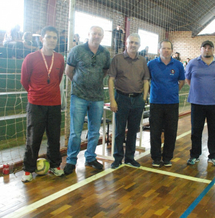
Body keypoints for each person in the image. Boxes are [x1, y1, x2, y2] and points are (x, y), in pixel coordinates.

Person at [20, 26, 65, 182]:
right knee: (34, 138)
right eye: (49, 37)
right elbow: (24, 81)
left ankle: (55, 165)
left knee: (54, 137)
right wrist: (36, 93)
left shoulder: (59, 58)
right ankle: (28, 170)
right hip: (36, 104)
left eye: (54, 38)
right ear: (41, 39)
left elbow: (58, 78)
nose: (52, 40)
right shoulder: (31, 58)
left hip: (54, 104)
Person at [64, 26, 111, 175]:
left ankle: (90, 157)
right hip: (79, 96)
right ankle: (71, 160)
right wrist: (79, 83)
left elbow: (104, 71)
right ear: (88, 34)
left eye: (99, 34)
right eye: (94, 33)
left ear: (102, 37)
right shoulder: (77, 50)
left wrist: (93, 82)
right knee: (75, 132)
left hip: (97, 98)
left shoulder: (105, 53)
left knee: (94, 131)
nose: (96, 36)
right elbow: (68, 71)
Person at [108, 33, 149, 169]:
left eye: (136, 43)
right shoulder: (117, 59)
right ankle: (117, 158)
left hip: (137, 100)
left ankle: (130, 158)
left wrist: (143, 99)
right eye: (131, 42)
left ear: (139, 45)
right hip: (121, 98)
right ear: (126, 43)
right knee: (119, 130)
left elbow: (145, 80)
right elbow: (111, 80)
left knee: (133, 130)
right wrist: (113, 100)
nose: (133, 45)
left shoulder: (143, 60)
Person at [186, 40, 215, 167]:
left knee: (214, 131)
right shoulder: (192, 63)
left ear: (213, 50)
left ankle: (213, 156)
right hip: (197, 103)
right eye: (205, 47)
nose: (207, 50)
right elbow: (188, 79)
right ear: (201, 49)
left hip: (214, 103)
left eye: (210, 48)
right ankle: (194, 155)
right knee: (196, 130)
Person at [147, 40, 185, 167]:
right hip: (156, 103)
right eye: (163, 48)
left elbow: (181, 82)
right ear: (159, 50)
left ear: (172, 50)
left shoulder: (178, 65)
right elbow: (147, 81)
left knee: (171, 131)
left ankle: (167, 157)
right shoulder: (151, 64)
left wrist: (172, 92)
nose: (166, 50)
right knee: (155, 131)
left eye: (168, 48)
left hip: (172, 103)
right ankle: (156, 157)